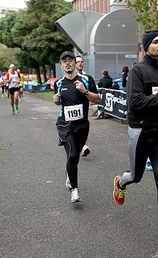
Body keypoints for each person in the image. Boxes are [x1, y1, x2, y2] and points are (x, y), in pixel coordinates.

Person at [112, 30, 158, 251]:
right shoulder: (138, 71)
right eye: (155, 42)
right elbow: (134, 101)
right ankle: (121, 182)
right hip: (140, 132)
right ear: (146, 47)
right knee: (136, 176)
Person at [53, 51, 99, 203]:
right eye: (64, 60)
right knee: (72, 155)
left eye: (70, 60)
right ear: (61, 65)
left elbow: (97, 100)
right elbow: (57, 101)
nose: (67, 63)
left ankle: (69, 173)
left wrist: (84, 91)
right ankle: (74, 189)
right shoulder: (58, 83)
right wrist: (56, 99)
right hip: (65, 124)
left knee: (75, 157)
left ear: (75, 63)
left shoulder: (86, 80)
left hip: (82, 125)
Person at [76, 55, 93, 157]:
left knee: (83, 126)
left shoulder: (87, 77)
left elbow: (94, 95)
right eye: (78, 61)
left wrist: (86, 93)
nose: (80, 63)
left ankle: (84, 146)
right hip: (72, 107)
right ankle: (80, 146)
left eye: (81, 61)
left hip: (84, 106)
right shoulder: (70, 76)